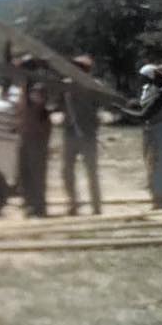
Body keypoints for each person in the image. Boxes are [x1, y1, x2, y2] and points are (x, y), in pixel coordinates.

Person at [118, 64, 162, 209]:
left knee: (157, 167)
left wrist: (121, 110)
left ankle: (160, 202)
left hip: (161, 132)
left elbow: (144, 115)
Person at [61, 55, 102, 215]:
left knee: (91, 171)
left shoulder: (95, 86)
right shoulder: (65, 86)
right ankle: (73, 203)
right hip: (70, 133)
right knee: (67, 171)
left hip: (88, 134)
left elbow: (101, 106)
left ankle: (96, 206)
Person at [16, 58, 53, 218]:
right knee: (25, 172)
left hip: (36, 138)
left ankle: (39, 206)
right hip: (26, 135)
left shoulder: (37, 86)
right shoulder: (26, 87)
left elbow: (40, 109)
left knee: (37, 173)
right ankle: (30, 203)